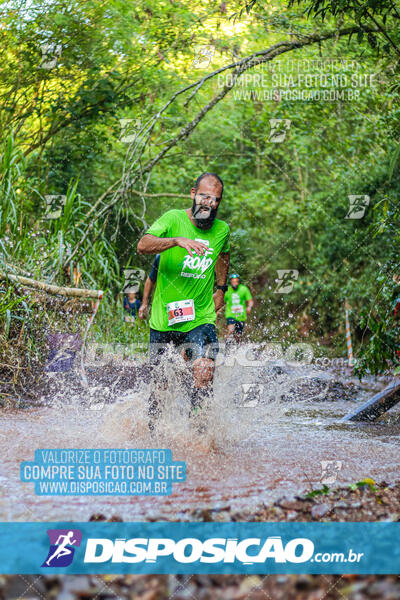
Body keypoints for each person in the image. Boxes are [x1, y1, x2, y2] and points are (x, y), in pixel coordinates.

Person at [137, 172, 230, 417]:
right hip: (164, 319)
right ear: (193, 194)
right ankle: (154, 437)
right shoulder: (173, 219)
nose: (209, 203)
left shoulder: (222, 230)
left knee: (204, 370)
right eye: (204, 196)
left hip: (200, 316)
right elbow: (143, 245)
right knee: (160, 387)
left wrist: (221, 288)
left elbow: (223, 255)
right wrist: (176, 241)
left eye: (215, 199)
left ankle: (199, 434)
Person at [224, 273, 253, 344]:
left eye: (236, 281)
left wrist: (249, 307)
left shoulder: (244, 289)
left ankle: (236, 348)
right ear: (230, 282)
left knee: (238, 335)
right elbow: (222, 301)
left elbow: (250, 300)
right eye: (233, 281)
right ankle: (227, 347)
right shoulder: (227, 290)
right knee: (231, 330)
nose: (235, 283)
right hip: (230, 314)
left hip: (241, 315)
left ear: (238, 281)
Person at [138, 254, 160, 320]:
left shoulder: (191, 253)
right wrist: (144, 303)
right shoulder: (160, 256)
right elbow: (151, 279)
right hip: (163, 305)